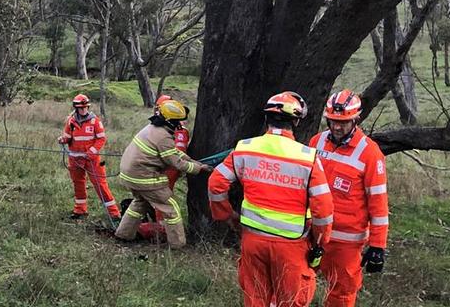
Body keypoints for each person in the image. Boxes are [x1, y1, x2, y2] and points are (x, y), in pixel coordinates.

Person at [209, 91, 334, 307]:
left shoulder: (245, 148)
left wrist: (228, 215)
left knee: (256, 299)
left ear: (267, 118)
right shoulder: (308, 157)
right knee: (291, 300)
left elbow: (215, 183)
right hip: (292, 245)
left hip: (253, 240)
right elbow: (323, 209)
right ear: (295, 121)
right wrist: (320, 241)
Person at [309, 90, 389, 307]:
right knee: (297, 282)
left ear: (356, 119)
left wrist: (377, 246)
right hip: (311, 233)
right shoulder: (316, 142)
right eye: (332, 121)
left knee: (342, 293)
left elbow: (378, 203)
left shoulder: (370, 153)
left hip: (346, 242)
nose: (336, 127)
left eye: (343, 122)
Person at [113, 97, 207, 247]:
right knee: (171, 207)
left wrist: (192, 161)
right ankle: (178, 244)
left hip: (129, 175)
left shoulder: (153, 129)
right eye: (179, 121)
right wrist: (198, 169)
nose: (182, 124)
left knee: (140, 203)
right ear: (170, 121)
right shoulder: (164, 137)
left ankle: (124, 234)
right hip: (143, 177)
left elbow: (173, 152)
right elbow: (175, 162)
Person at [57, 94, 120, 221]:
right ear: (76, 108)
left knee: (100, 185)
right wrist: (63, 139)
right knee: (78, 184)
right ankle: (80, 210)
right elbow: (68, 137)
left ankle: (114, 214)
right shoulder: (71, 121)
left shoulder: (95, 121)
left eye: (86, 107)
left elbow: (101, 138)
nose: (84, 110)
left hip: (92, 160)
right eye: (81, 108)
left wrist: (92, 151)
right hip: (75, 159)